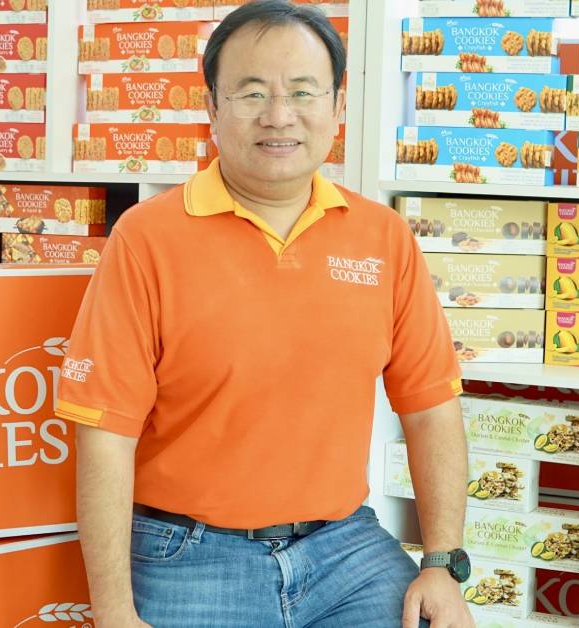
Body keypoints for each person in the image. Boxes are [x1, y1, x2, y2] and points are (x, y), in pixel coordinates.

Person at [54, 2, 474, 627]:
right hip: (190, 555)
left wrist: (441, 563)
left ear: (337, 107)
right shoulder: (146, 239)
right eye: (252, 93)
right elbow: (105, 434)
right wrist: (113, 611)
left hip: (345, 547)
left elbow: (431, 408)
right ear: (211, 107)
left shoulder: (383, 237)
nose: (279, 115)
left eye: (303, 92)